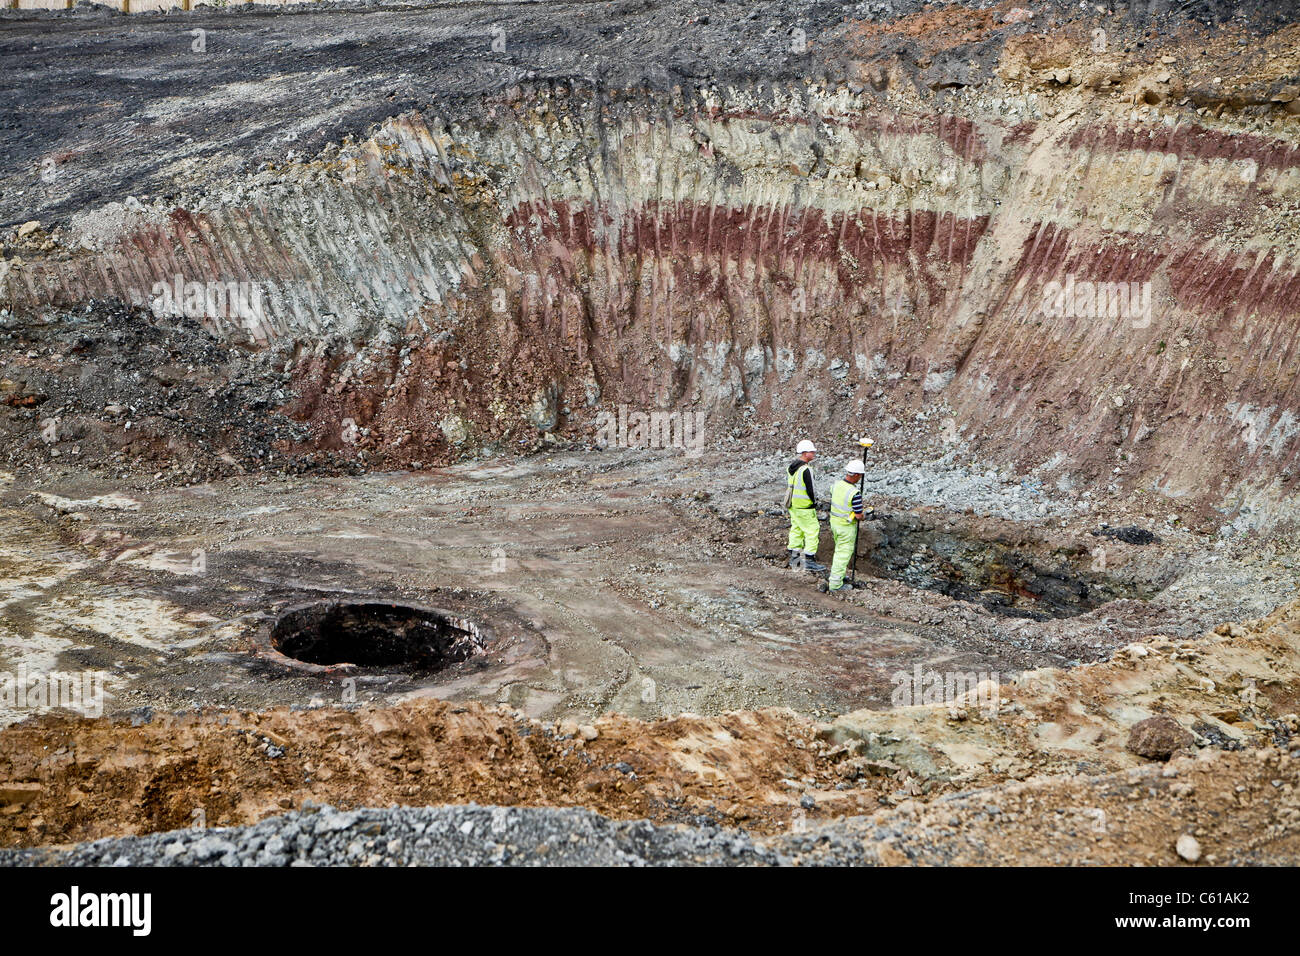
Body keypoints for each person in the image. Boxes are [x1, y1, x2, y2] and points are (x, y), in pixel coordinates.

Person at [826, 459, 867, 592]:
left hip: (835, 523)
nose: (860, 478)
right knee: (842, 554)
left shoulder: (836, 485)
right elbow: (859, 515)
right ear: (855, 475)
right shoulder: (854, 493)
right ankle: (835, 584)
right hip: (846, 527)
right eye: (860, 475)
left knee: (839, 550)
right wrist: (864, 515)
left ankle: (839, 576)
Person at [785, 440, 826, 571]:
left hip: (793, 505)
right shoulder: (806, 470)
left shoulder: (792, 468)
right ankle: (809, 560)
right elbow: (811, 490)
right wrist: (815, 503)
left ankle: (795, 559)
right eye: (811, 451)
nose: (814, 453)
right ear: (805, 453)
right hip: (805, 507)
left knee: (796, 530)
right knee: (812, 530)